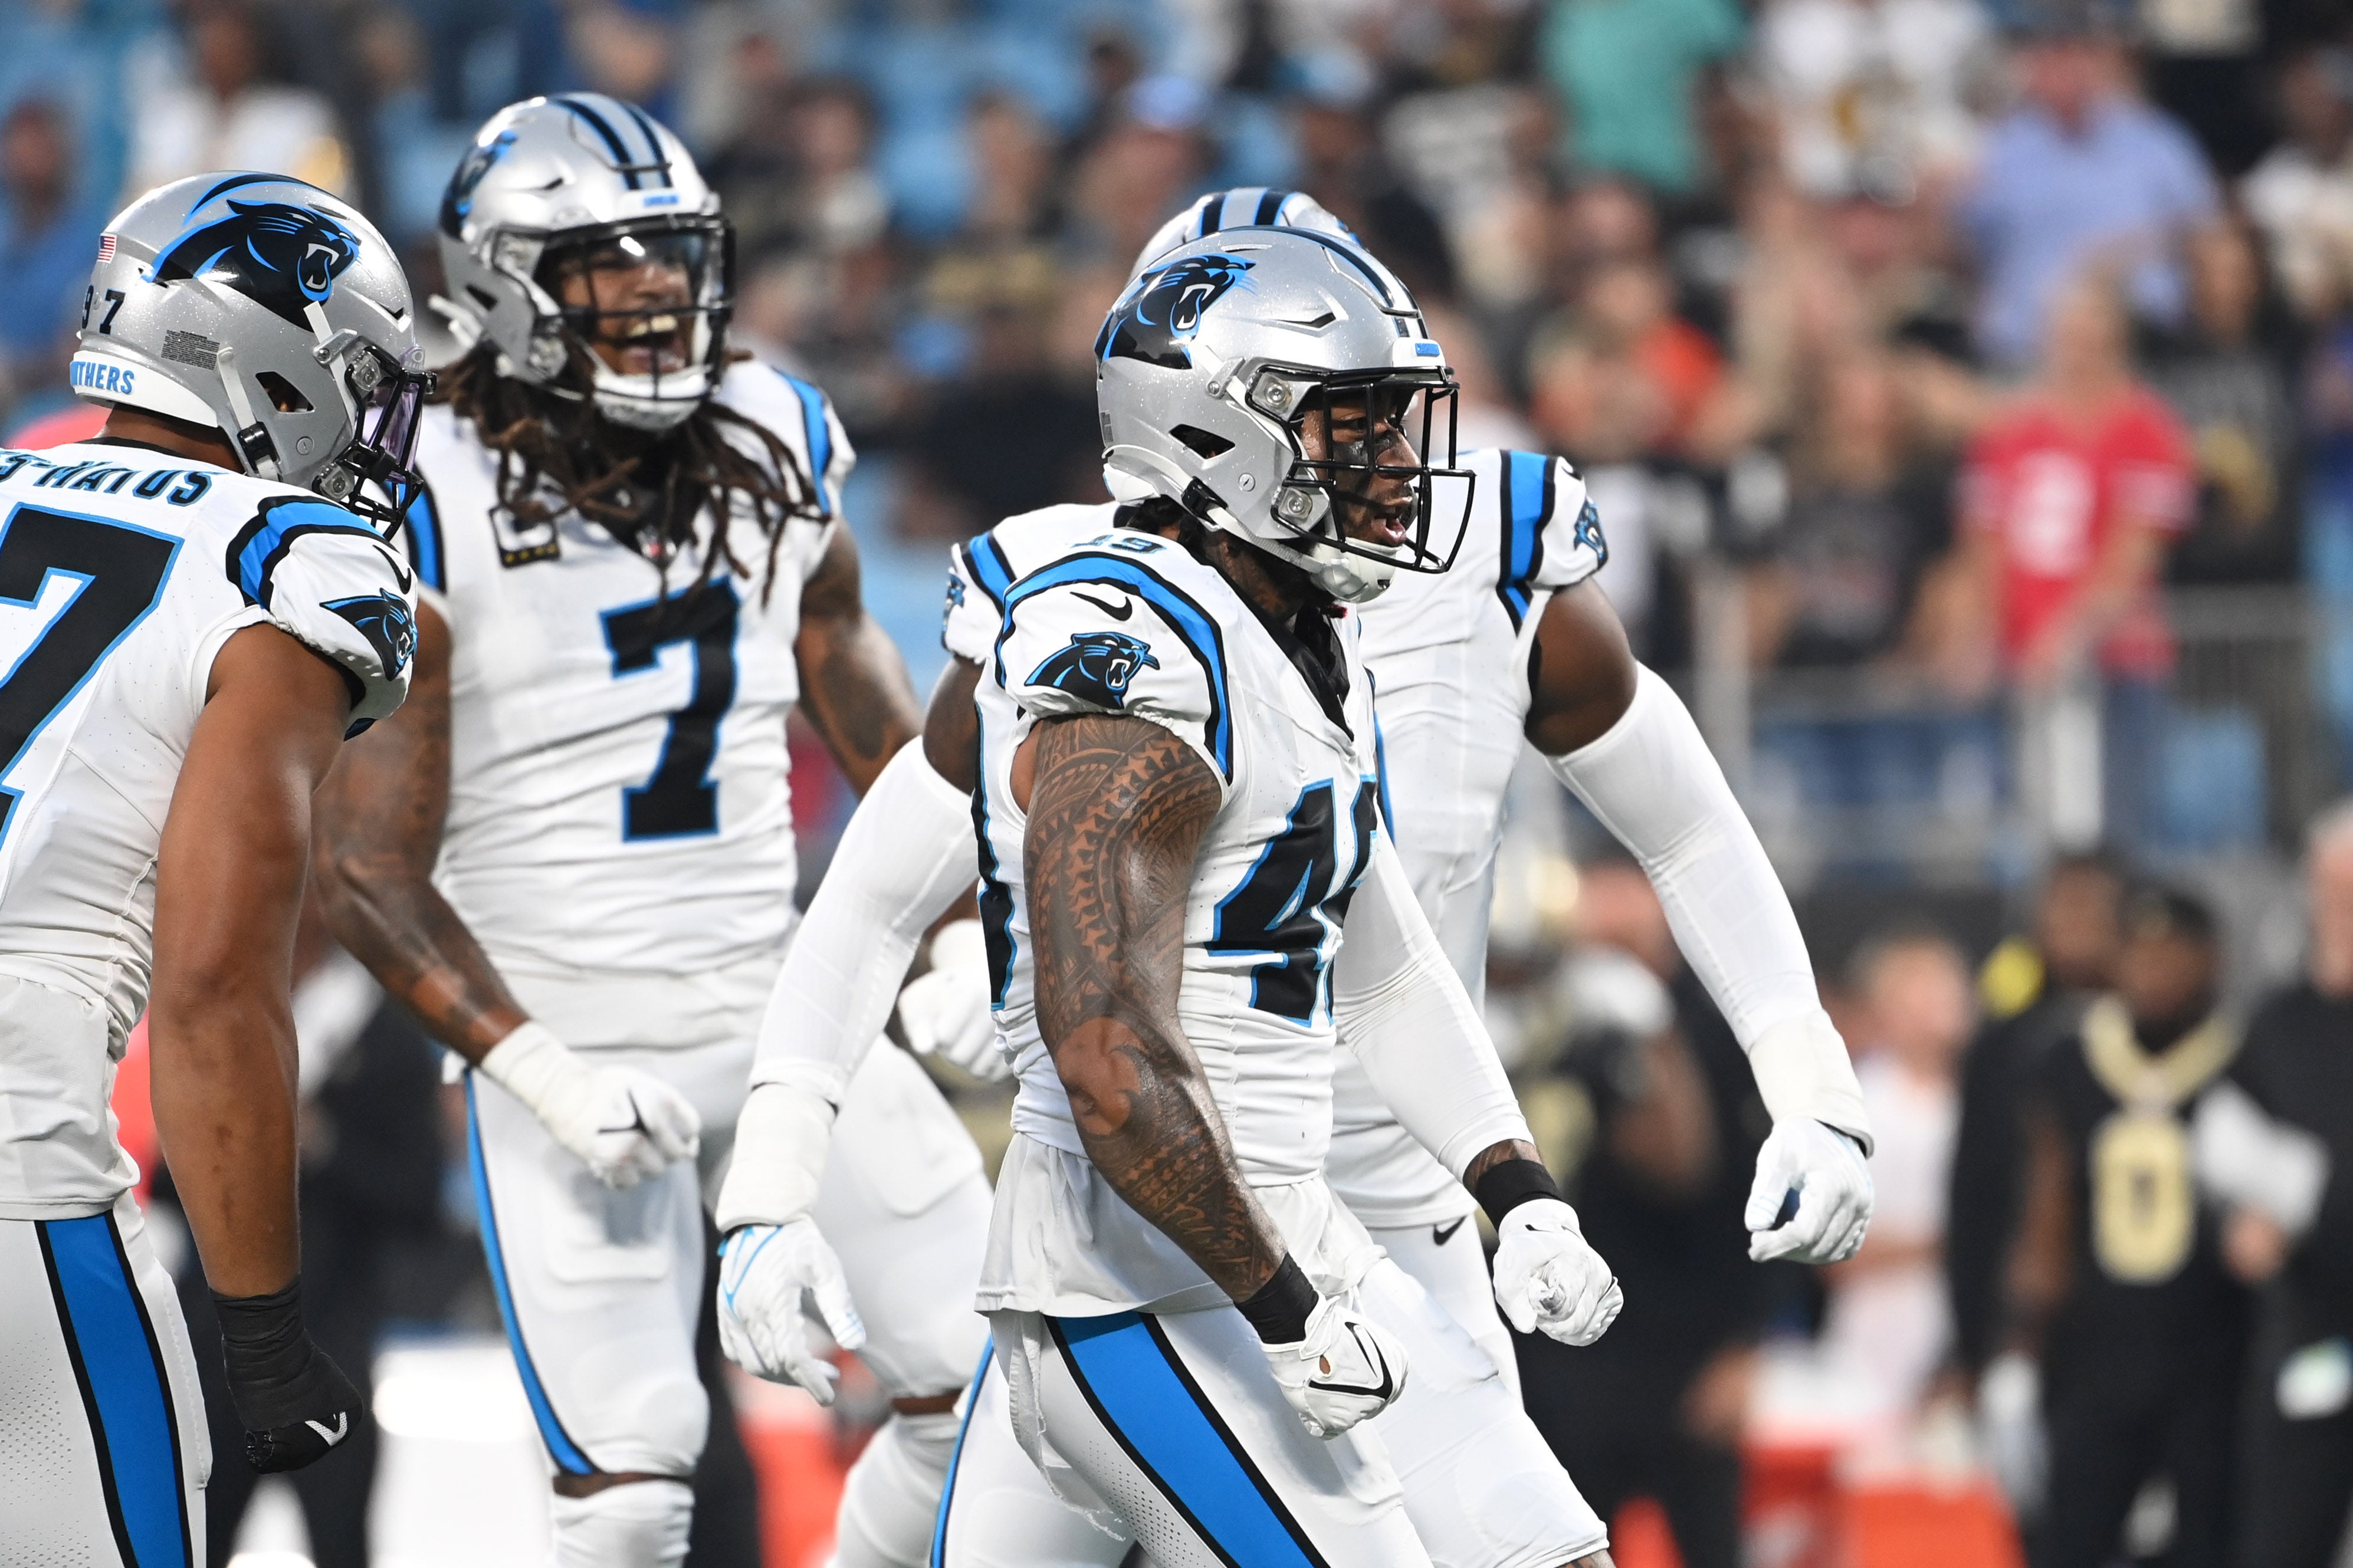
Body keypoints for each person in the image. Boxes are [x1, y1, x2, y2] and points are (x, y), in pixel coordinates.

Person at [718, 196, 1876, 1562]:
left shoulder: (1302, 636)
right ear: (1216, 425)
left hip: (1347, 1217)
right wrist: (778, 1179)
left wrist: (1526, 1186)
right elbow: (1022, 999)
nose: (1401, 467)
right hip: (1154, 1253)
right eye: (1354, 423)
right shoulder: (1102, 625)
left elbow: (1390, 962)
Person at [309, 95, 990, 1568]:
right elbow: (362, 863)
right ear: (503, 287)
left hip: (780, 1002)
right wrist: (534, 1070)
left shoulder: (770, 424)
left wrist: (957, 919)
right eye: (609, 273)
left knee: (994, 1396)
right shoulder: (420, 487)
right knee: (626, 1502)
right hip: (567, 1025)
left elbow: (862, 693)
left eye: (672, 265)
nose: (658, 303)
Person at [0, 170, 428, 1557]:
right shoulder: (286, 563)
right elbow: (214, 985)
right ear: (271, 358)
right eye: (356, 373)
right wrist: (260, 1332)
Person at [169, 899, 444, 1568]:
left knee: (339, 1542)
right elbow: (160, 1181)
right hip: (216, 1346)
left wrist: (323, 1143)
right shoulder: (219, 1017)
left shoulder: (383, 1031)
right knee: (194, 1542)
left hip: (331, 1341)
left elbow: (419, 1196)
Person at [2001, 886, 2250, 1567]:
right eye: (2137, 953)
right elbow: (2044, 1206)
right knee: (2070, 1540)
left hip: (2210, 1355)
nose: (2151, 971)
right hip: (2095, 1352)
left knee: (2210, 1542)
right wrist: (2019, 1348)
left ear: (2208, 959)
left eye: (2169, 954)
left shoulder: (2244, 1060)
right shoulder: (2070, 1057)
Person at [2193, 800, 2353, 1568]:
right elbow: (2221, 1142)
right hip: (2312, 1333)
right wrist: (2244, 1215)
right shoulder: (2276, 1023)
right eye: (2333, 887)